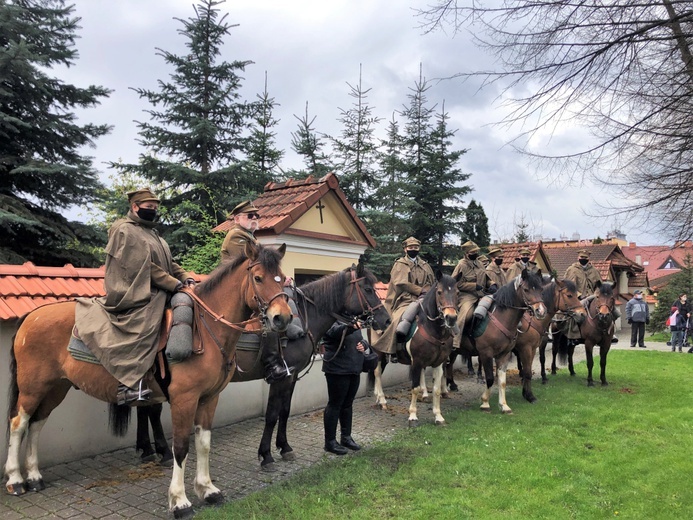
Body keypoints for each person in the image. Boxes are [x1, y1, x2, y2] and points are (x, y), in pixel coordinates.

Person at [75, 188, 195, 405]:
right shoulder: (124, 230)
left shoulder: (152, 233)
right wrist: (173, 284)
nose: (153, 211)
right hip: (132, 291)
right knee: (146, 323)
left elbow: (169, 264)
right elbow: (144, 267)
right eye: (149, 208)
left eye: (156, 208)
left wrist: (185, 278)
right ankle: (129, 384)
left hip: (156, 288)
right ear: (135, 207)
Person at [221, 200, 293, 383]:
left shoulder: (250, 238)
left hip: (249, 284)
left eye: (256, 216)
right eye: (250, 216)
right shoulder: (236, 236)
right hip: (236, 288)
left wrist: (281, 277)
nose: (254, 219)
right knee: (266, 319)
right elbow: (251, 265)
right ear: (237, 219)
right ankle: (271, 365)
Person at [372, 237, 435, 362]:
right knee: (398, 320)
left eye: (415, 247)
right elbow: (401, 283)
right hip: (404, 299)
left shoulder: (425, 265)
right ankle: (393, 350)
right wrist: (419, 290)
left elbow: (431, 281)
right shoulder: (400, 264)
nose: (413, 250)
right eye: (410, 248)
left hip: (424, 298)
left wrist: (426, 292)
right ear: (405, 249)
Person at [321, 319, 371, 455]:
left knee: (348, 404)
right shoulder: (331, 320)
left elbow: (360, 339)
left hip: (354, 368)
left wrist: (364, 344)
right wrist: (351, 326)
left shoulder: (351, 318)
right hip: (337, 370)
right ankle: (330, 442)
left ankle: (346, 437)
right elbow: (334, 333)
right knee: (335, 405)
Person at [452, 240, 496, 333]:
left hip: (482, 294)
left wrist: (492, 284)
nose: (475, 253)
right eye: (473, 252)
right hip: (466, 296)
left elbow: (486, 278)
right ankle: (454, 339)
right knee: (466, 316)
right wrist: (474, 286)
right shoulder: (461, 265)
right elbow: (456, 283)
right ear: (467, 253)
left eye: (476, 252)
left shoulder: (479, 263)